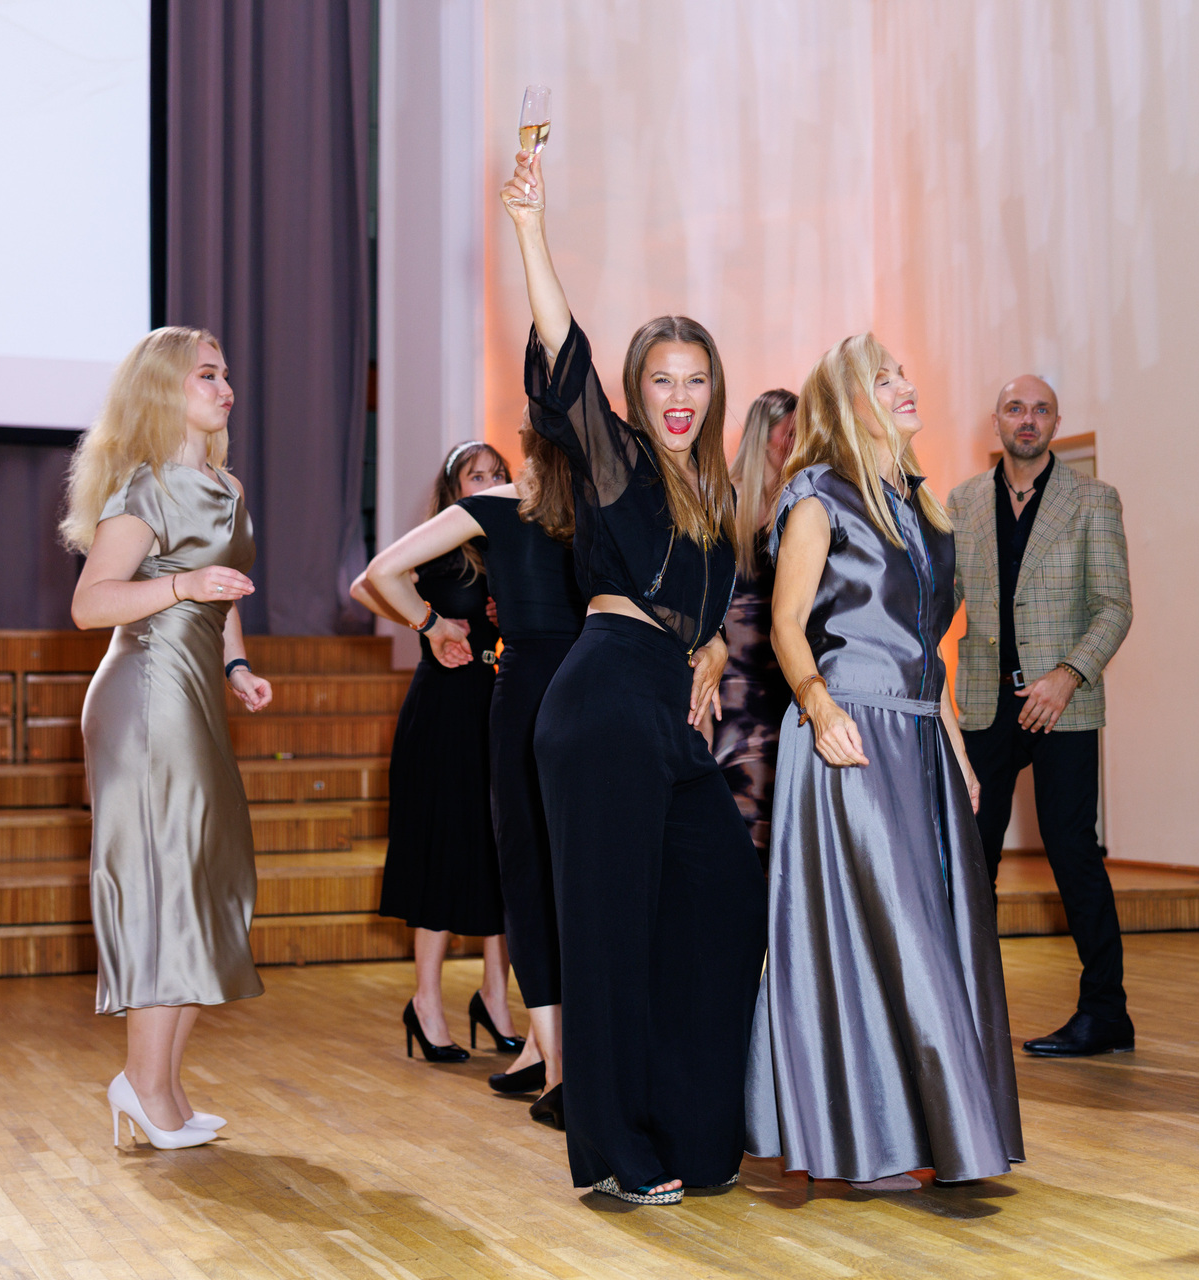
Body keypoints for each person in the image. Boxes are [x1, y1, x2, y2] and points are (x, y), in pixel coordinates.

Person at [500, 144, 768, 1204]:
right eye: (662, 379)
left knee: (722, 901)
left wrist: (711, 649)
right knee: (609, 935)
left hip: (664, 706)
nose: (680, 396)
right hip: (604, 695)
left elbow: (708, 610)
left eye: (696, 380)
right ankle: (615, 1154)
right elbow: (563, 358)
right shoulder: (615, 464)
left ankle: (690, 1132)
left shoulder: (715, 499)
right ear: (637, 391)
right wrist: (532, 230)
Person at [745, 334, 1023, 1192]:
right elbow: (786, 624)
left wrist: (957, 749)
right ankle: (866, 1142)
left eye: (902, 373)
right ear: (846, 404)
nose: (905, 386)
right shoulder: (817, 495)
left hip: (921, 741)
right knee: (890, 937)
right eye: (883, 378)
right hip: (850, 736)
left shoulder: (922, 506)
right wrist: (820, 706)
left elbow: (929, 649)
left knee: (932, 936)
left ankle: (920, 1136)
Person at [64, 326, 273, 1150]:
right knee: (164, 889)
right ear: (163, 390)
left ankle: (163, 1089)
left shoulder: (226, 486)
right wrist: (183, 583)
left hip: (192, 696)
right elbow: (91, 604)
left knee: (202, 881)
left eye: (225, 374)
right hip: (145, 695)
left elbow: (224, 597)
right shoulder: (145, 489)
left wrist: (237, 665)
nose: (225, 388)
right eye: (206, 375)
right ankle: (145, 1087)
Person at [946, 375, 1134, 1057]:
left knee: (1072, 850)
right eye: (1015, 408)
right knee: (972, 855)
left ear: (1056, 422)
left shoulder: (1093, 499)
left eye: (1040, 410)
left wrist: (1068, 674)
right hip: (984, 702)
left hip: (1063, 703)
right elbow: (938, 600)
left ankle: (1106, 1013)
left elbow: (1114, 607)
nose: (1027, 419)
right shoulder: (962, 502)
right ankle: (967, 1009)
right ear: (996, 420)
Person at [351, 443, 522, 1066]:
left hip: (501, 706)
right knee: (442, 850)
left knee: (504, 857)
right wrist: (424, 624)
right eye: (477, 475)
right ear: (454, 488)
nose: (490, 483)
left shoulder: (511, 541)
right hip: (445, 711)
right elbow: (366, 585)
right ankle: (425, 1001)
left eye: (499, 474)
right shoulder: (441, 544)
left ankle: (495, 998)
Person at [468, 417, 586, 1122]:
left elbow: (375, 576)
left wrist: (430, 626)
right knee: (579, 873)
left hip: (523, 692)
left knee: (528, 875)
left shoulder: (500, 506)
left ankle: (554, 1065)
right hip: (589, 685)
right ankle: (564, 1060)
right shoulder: (600, 502)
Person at [715, 389, 798, 864]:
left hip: (788, 679)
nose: (798, 441)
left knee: (786, 815)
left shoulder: (803, 502)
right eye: (791, 432)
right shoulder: (721, 500)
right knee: (737, 810)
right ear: (764, 435)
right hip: (734, 685)